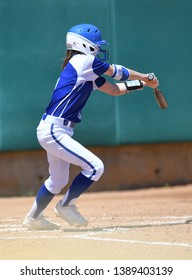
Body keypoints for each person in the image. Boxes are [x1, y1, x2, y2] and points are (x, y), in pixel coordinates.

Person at [23, 23, 159, 230]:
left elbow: (114, 89)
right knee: (95, 166)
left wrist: (141, 84)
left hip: (55, 129)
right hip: (54, 129)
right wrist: (144, 76)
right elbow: (118, 73)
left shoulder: (85, 69)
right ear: (84, 44)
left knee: (58, 181)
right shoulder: (84, 61)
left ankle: (33, 218)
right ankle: (66, 206)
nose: (98, 48)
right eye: (95, 44)